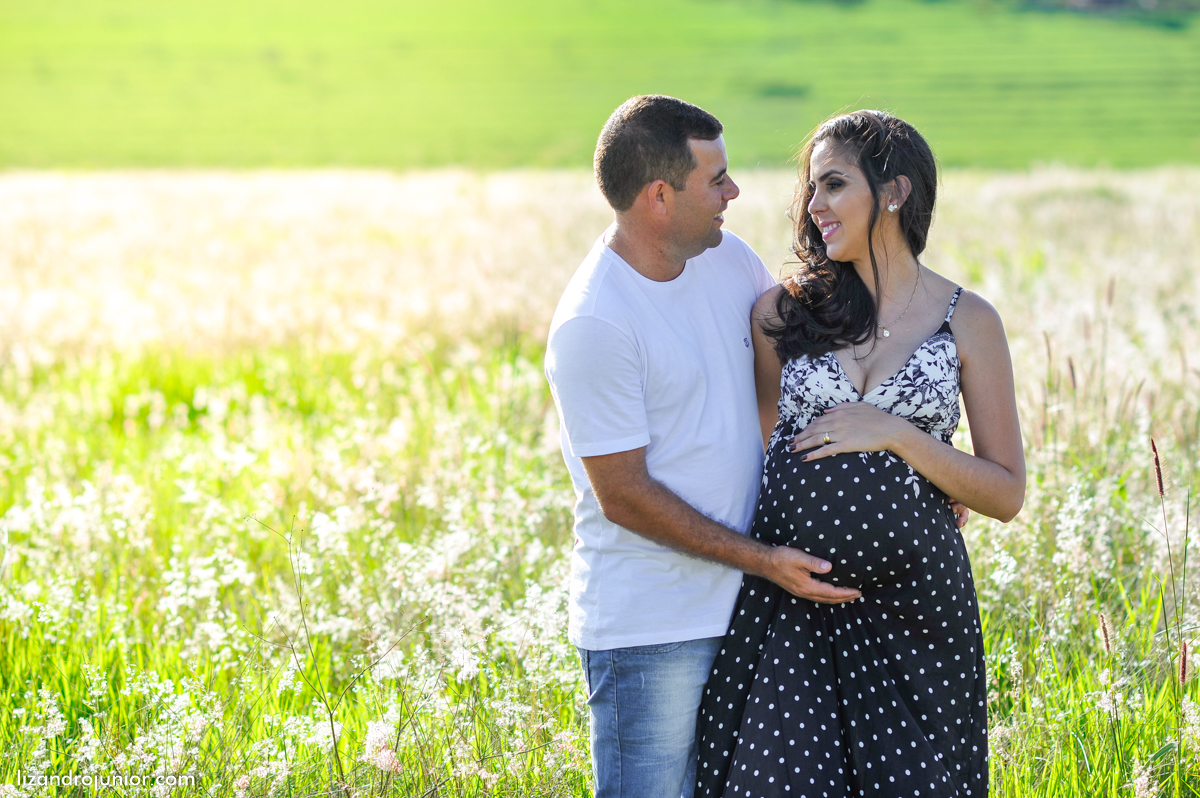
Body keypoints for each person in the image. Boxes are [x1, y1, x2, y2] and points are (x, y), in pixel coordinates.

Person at [695, 110, 1025, 798]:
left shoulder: (969, 321)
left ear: (895, 191)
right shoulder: (777, 315)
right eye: (811, 189)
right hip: (794, 602)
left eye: (834, 184)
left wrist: (902, 437)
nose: (813, 206)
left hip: (920, 615)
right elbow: (762, 451)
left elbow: (1004, 492)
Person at [544, 95, 867, 798]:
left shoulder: (730, 263)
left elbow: (808, 374)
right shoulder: (595, 323)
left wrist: (904, 472)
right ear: (660, 196)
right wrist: (764, 561)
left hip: (752, 611)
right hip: (651, 632)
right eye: (715, 179)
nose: (734, 192)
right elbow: (624, 496)